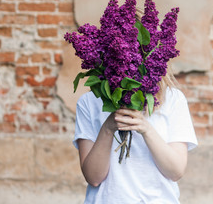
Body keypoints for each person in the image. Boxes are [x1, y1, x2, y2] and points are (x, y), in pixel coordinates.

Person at [73, 65, 198, 203]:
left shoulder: (173, 99)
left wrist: (146, 129)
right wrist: (107, 129)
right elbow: (93, 178)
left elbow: (175, 171)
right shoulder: (89, 101)